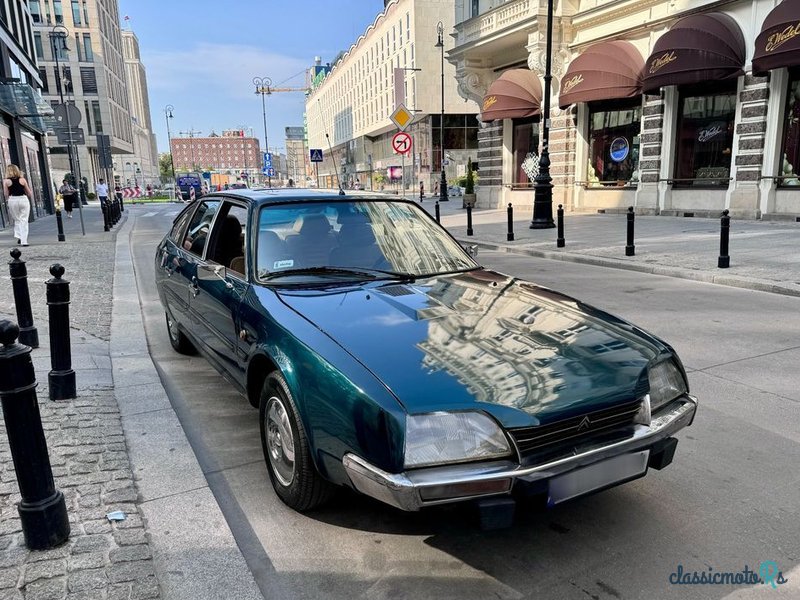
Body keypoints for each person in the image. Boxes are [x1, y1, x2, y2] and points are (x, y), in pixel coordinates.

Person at [4, 164, 34, 246]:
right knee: (24, 220)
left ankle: (19, 236)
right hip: (23, 199)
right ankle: (23, 240)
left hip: (12, 200)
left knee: (17, 219)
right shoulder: (22, 180)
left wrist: (8, 201)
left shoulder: (6, 181)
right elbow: (29, 193)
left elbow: (6, 194)